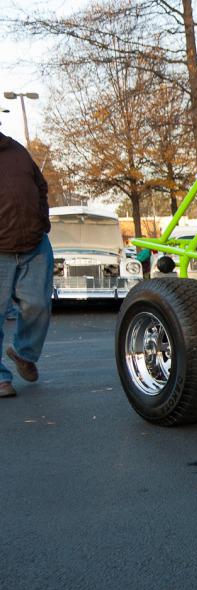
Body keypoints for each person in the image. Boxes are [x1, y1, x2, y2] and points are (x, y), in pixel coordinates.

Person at [0, 129, 53, 398]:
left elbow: (40, 185)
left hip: (34, 245)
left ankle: (24, 353)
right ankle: (0, 379)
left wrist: (42, 222)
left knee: (39, 306)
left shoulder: (17, 151)